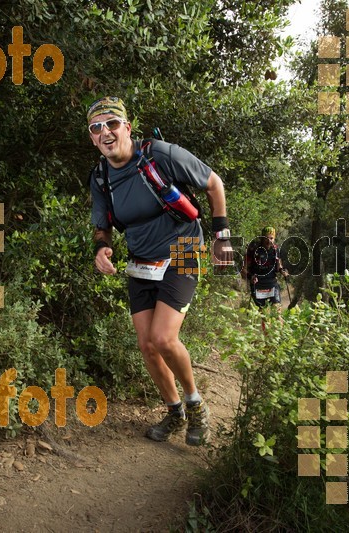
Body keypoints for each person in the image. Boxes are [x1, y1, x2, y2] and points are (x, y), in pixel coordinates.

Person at [87, 96, 231, 446]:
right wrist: (101, 247)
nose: (105, 132)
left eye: (112, 124)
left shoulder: (160, 154)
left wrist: (222, 238)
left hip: (183, 248)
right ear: (91, 138)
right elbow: (101, 226)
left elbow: (214, 184)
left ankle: (196, 406)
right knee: (147, 346)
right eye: (96, 127)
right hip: (141, 258)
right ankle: (174, 411)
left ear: (127, 128)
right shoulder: (101, 177)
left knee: (164, 338)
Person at [242, 226, 288, 310]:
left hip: (272, 283)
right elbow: (243, 270)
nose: (269, 241)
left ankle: (280, 323)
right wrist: (250, 277)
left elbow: (279, 266)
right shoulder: (253, 249)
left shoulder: (275, 249)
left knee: (277, 311)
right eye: (266, 238)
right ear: (262, 238)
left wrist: (283, 271)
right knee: (263, 313)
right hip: (258, 285)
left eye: (271, 238)